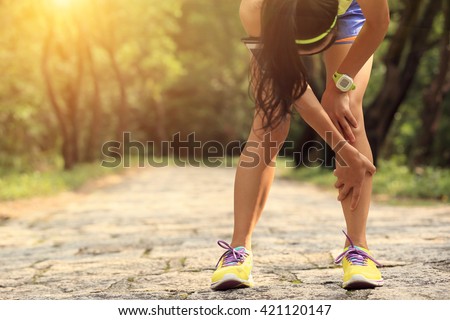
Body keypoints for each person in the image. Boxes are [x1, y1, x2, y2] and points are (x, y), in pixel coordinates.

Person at [211, 0, 390, 291]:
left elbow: (379, 22)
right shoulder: (256, 8)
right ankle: (238, 249)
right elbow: (292, 86)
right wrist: (344, 151)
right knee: (268, 121)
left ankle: (359, 249)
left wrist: (339, 87)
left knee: (349, 115)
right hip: (275, 21)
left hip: (348, 12)